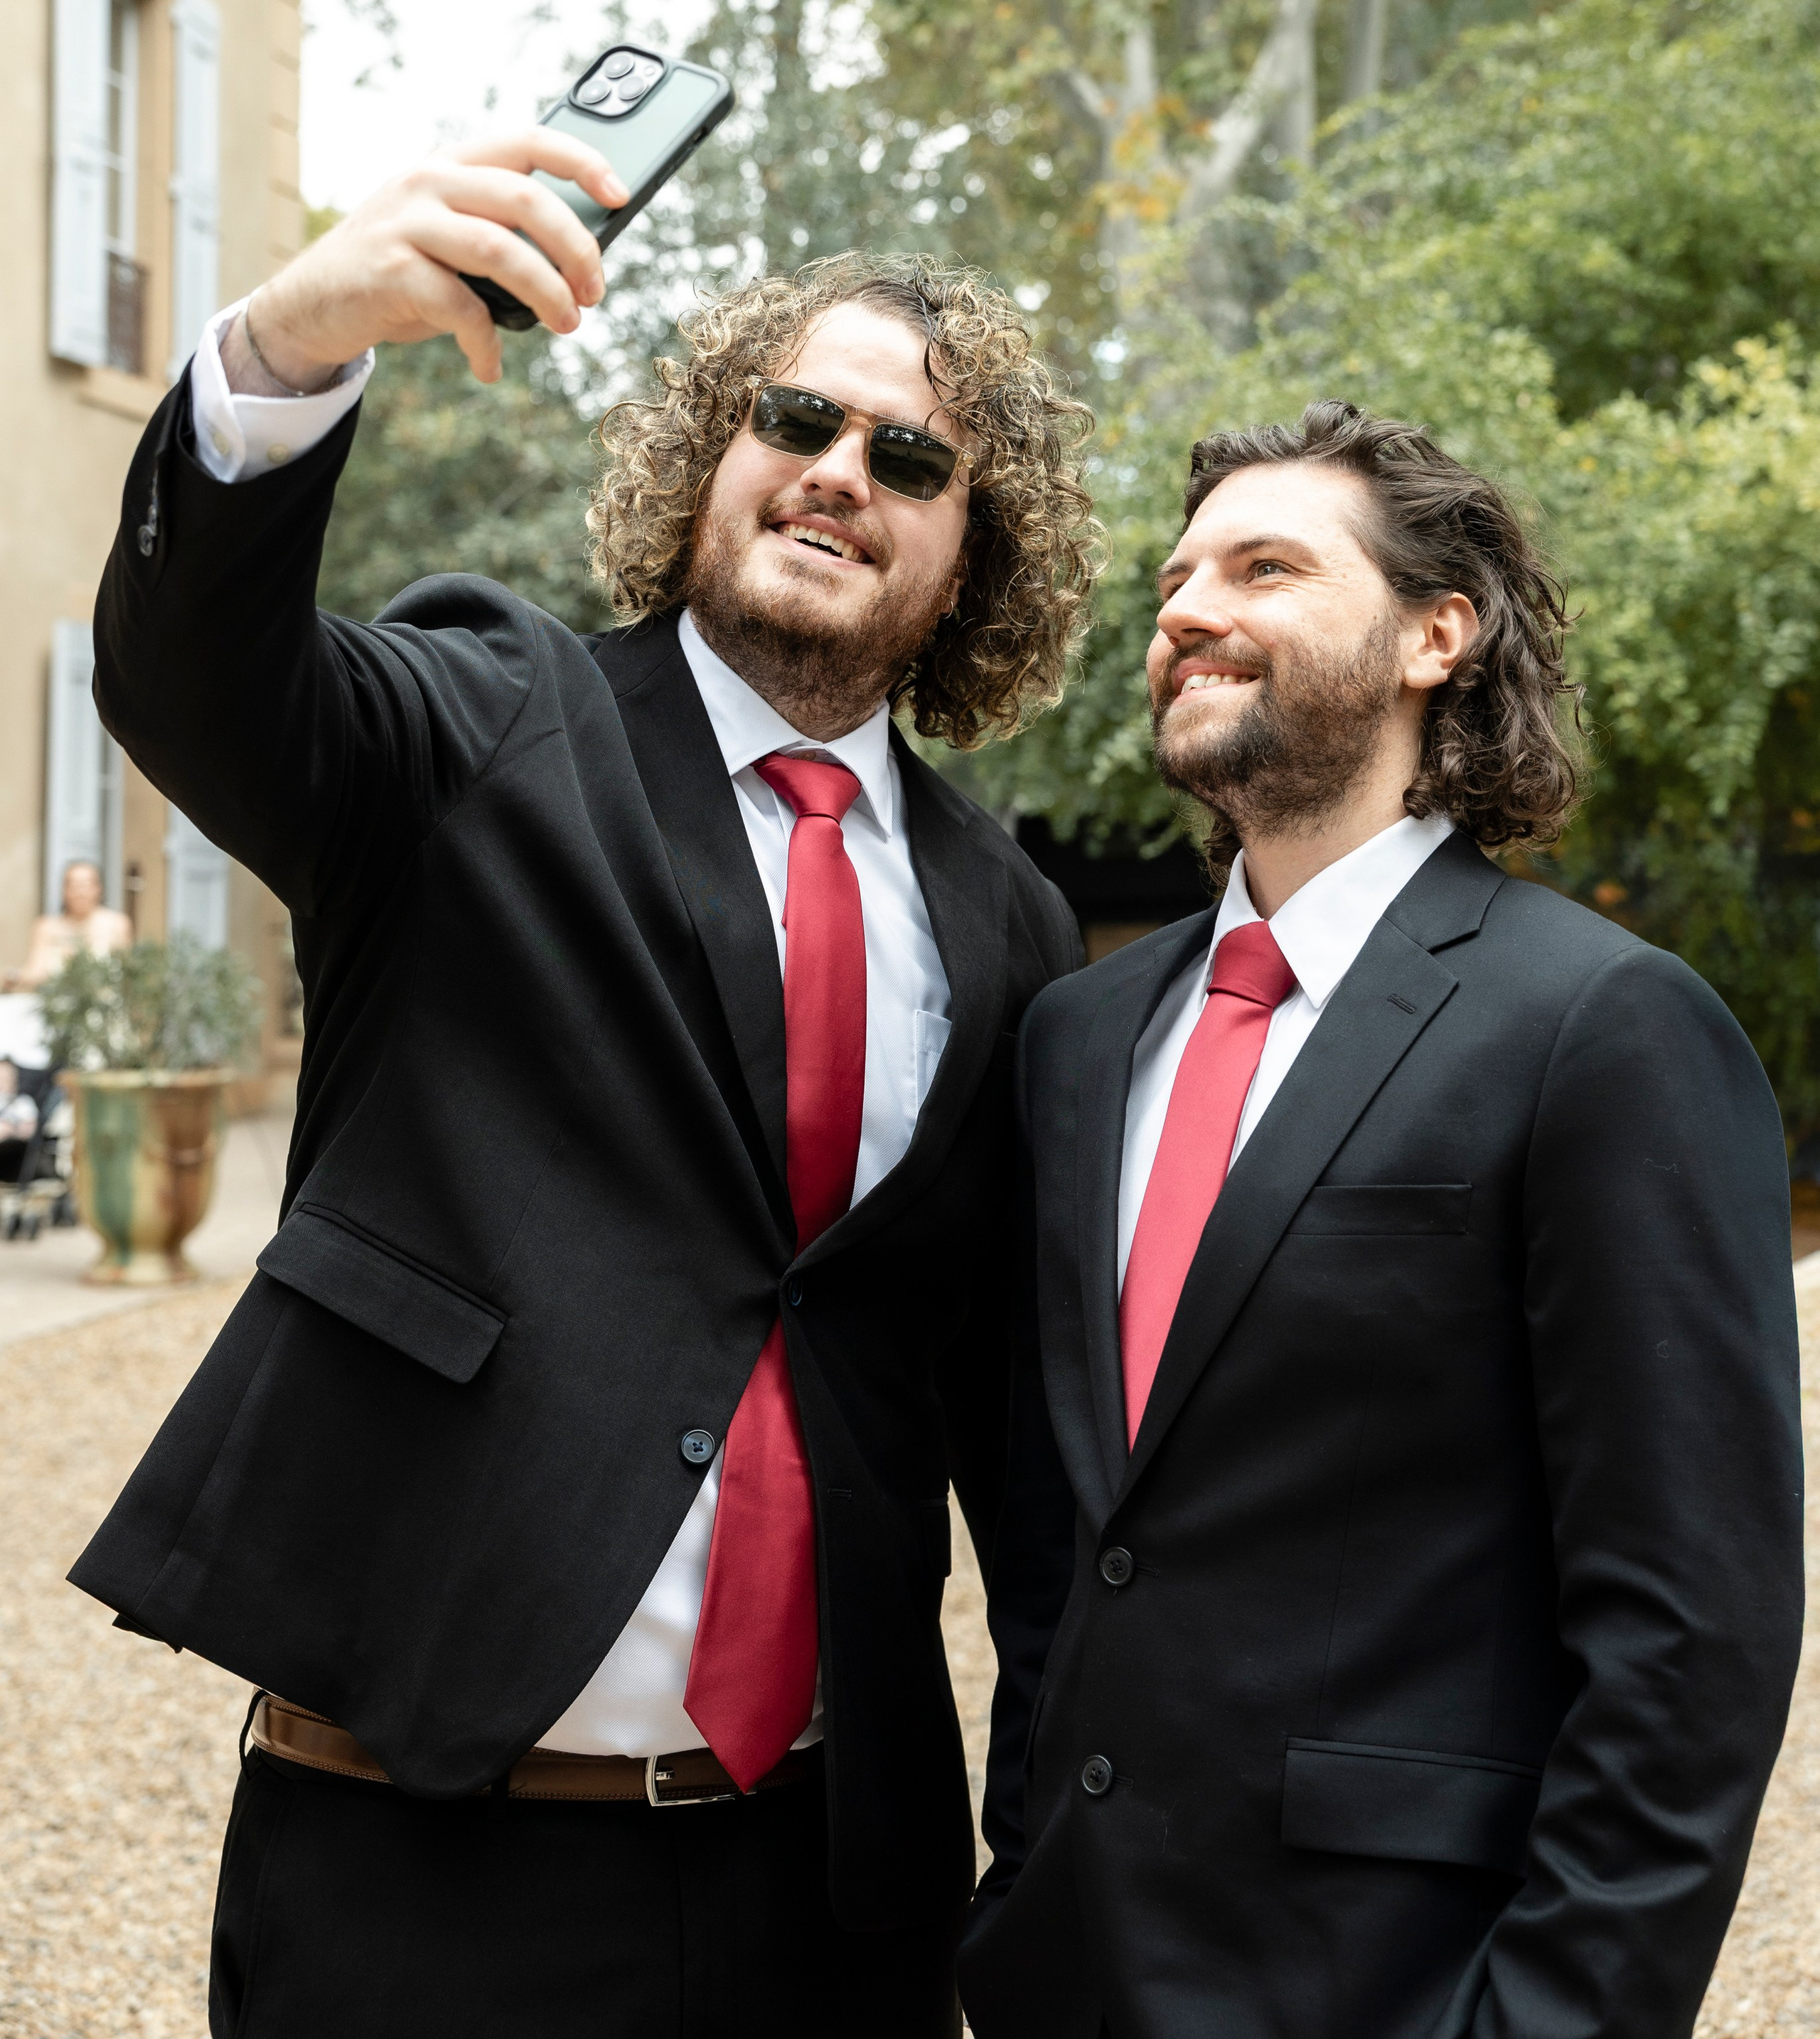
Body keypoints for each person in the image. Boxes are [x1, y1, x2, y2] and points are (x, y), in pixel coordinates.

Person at [68, 125, 1097, 2039]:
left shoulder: (1013, 926)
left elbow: (1017, 1464)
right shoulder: (478, 727)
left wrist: (1035, 1876)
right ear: (713, 450)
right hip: (426, 1864)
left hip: (831, 1896)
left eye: (912, 458)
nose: (839, 472)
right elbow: (196, 677)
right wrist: (294, 343)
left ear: (974, 554)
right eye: (798, 415)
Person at [961, 400, 1804, 2039]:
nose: (1188, 610)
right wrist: (1020, 1876)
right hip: (1071, 1966)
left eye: (1263, 566)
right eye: (1173, 579)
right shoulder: (1075, 1038)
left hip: (1397, 1984)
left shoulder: (1602, 1027)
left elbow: (1685, 1638)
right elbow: (1065, 1544)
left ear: (1435, 630)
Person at [1, 858, 133, 989]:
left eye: (86, 885)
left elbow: (127, 972)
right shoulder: (47, 927)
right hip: (59, 1001)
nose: (80, 892)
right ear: (64, 890)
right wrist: (13, 976)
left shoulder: (117, 923)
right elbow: (36, 971)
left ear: (98, 888)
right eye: (74, 885)